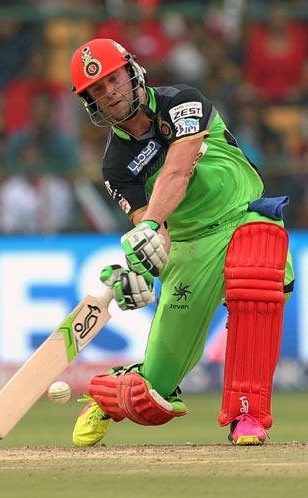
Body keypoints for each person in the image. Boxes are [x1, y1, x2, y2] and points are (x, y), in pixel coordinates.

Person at [68, 39, 294, 446]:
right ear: (90, 103)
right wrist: (142, 267)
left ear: (132, 72)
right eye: (97, 90)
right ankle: (110, 396)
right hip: (189, 247)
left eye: (113, 80)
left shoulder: (182, 101)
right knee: (150, 395)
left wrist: (149, 225)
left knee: (257, 281)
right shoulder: (116, 165)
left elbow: (178, 169)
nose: (110, 93)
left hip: (243, 218)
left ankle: (248, 416)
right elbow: (158, 237)